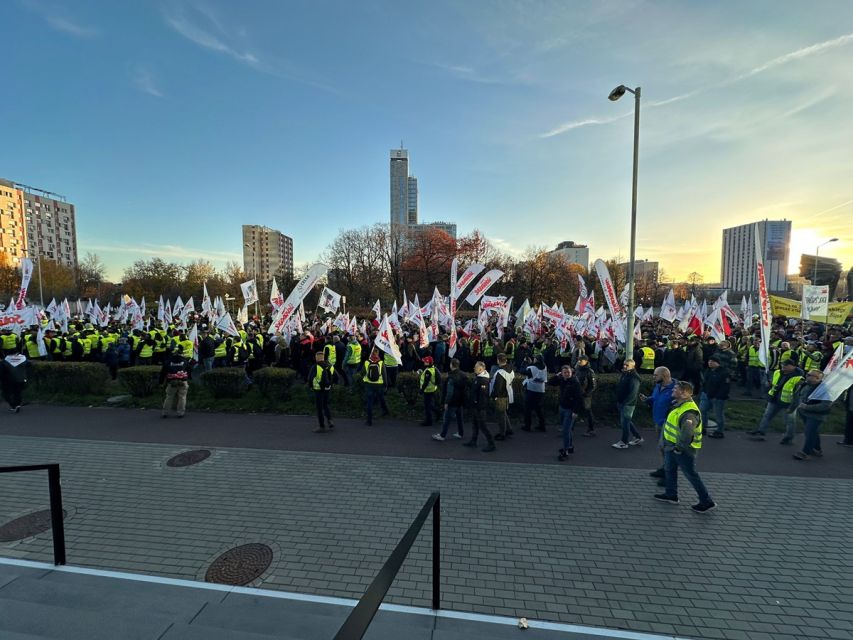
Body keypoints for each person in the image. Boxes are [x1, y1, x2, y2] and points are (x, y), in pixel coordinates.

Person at [654, 381, 716, 512]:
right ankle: (671, 495)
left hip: (683, 450)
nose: (672, 390)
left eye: (675, 389)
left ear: (685, 393)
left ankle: (706, 501)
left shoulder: (689, 412)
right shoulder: (678, 405)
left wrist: (679, 448)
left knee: (691, 475)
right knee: (669, 470)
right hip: (671, 447)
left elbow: (687, 434)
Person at [748, 359, 803, 441]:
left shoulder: (798, 378)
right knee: (767, 416)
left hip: (787, 403)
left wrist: (793, 406)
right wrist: (769, 385)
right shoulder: (777, 372)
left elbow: (798, 394)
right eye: (783, 364)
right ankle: (761, 431)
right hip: (774, 399)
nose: (784, 366)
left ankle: (789, 437)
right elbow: (774, 384)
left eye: (787, 365)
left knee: (789, 421)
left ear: (794, 367)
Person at [641, 367, 677, 482]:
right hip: (658, 421)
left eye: (656, 375)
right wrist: (648, 399)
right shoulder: (658, 386)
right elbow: (655, 398)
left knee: (667, 449)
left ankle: (669, 476)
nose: (653, 377)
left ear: (664, 376)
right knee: (662, 449)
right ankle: (664, 469)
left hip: (669, 424)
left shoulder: (676, 389)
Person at [792, 370, 832, 460]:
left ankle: (805, 453)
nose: (807, 376)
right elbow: (800, 396)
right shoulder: (806, 385)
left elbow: (825, 405)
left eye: (810, 375)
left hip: (816, 415)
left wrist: (806, 407)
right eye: (807, 374)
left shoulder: (824, 389)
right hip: (805, 413)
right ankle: (816, 449)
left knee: (810, 433)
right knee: (812, 432)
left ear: (817, 378)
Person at [547, 364, 583, 461]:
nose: (567, 374)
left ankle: (565, 451)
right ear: (562, 373)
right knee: (567, 429)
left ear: (572, 373)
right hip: (562, 407)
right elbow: (550, 382)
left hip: (570, 410)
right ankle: (570, 446)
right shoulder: (562, 379)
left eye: (568, 372)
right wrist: (557, 376)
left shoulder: (575, 383)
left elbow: (579, 398)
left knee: (566, 431)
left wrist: (575, 411)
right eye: (564, 373)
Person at [463, 361, 495, 452]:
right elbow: (474, 388)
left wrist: (478, 406)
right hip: (476, 407)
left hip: (480, 408)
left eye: (475, 367)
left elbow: (483, 396)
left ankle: (491, 444)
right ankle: (473, 441)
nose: (474, 368)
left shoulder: (483, 380)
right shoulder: (479, 378)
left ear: (481, 369)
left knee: (483, 426)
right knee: (475, 424)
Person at [433, 358, 466, 441]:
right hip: (461, 400)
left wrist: (446, 402)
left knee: (447, 419)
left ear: (451, 365)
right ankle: (460, 433)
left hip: (452, 401)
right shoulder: (463, 374)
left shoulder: (451, 377)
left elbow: (449, 392)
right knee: (460, 418)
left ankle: (442, 435)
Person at [612, 359, 643, 449]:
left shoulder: (634, 377)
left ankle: (624, 442)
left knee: (625, 423)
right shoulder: (626, 374)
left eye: (627, 365)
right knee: (627, 421)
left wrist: (626, 403)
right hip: (622, 402)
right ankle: (637, 437)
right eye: (624, 364)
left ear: (633, 366)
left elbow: (633, 393)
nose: (624, 366)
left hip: (627, 404)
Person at [701, 355, 730, 439]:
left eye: (712, 361)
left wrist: (719, 396)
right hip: (706, 395)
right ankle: (702, 427)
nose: (710, 363)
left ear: (718, 363)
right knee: (702, 411)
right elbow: (705, 382)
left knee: (718, 414)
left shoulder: (724, 373)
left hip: (717, 398)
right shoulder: (708, 371)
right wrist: (703, 391)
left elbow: (725, 387)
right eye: (709, 361)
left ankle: (719, 431)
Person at [308, 351, 336, 433]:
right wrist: (330, 384)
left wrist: (310, 387)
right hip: (327, 389)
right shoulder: (330, 366)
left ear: (316, 358)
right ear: (323, 357)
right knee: (326, 405)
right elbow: (336, 376)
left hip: (318, 390)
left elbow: (310, 378)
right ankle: (330, 420)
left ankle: (321, 426)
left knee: (319, 408)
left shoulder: (315, 367)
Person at [159, 347, 190, 419]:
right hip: (182, 381)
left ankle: (165, 413)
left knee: (169, 397)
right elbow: (190, 369)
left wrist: (161, 382)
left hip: (172, 382)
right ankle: (180, 413)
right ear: (181, 353)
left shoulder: (168, 361)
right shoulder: (185, 360)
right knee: (182, 397)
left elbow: (163, 373)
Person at [491, 353, 515, 440]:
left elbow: (498, 386)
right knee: (503, 412)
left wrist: (494, 396)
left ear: (498, 360)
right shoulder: (511, 369)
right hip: (508, 393)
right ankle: (509, 429)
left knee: (500, 415)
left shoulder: (500, 372)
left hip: (500, 396)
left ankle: (502, 434)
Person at [362, 350, 389, 426]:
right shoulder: (381, 362)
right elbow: (384, 374)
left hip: (369, 384)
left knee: (369, 402)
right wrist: (386, 385)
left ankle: (369, 421)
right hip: (379, 384)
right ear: (378, 354)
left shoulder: (366, 362)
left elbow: (363, 373)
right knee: (381, 398)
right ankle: (385, 411)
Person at [521, 355, 547, 432]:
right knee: (539, 409)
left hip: (531, 389)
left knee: (527, 409)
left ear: (536, 359)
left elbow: (522, 371)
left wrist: (525, 362)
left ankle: (527, 426)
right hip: (541, 390)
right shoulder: (544, 366)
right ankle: (542, 426)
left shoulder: (532, 367)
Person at [574, 355, 597, 436]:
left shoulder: (590, 371)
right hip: (577, 394)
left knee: (588, 411)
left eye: (581, 360)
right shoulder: (577, 370)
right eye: (579, 360)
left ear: (586, 361)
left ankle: (591, 429)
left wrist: (586, 394)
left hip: (585, 395)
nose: (579, 361)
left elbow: (593, 385)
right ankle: (569, 428)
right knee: (574, 410)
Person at [419, 355, 440, 426]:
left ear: (428, 363)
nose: (424, 362)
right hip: (433, 389)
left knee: (427, 406)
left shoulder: (428, 371)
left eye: (425, 361)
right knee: (430, 405)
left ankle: (429, 421)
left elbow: (426, 382)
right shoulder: (433, 368)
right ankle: (438, 412)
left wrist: (421, 390)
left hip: (428, 391)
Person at [839, 382, 853, 448]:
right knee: (848, 425)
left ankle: (850, 442)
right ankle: (846, 440)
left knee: (851, 425)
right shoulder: (851, 386)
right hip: (850, 409)